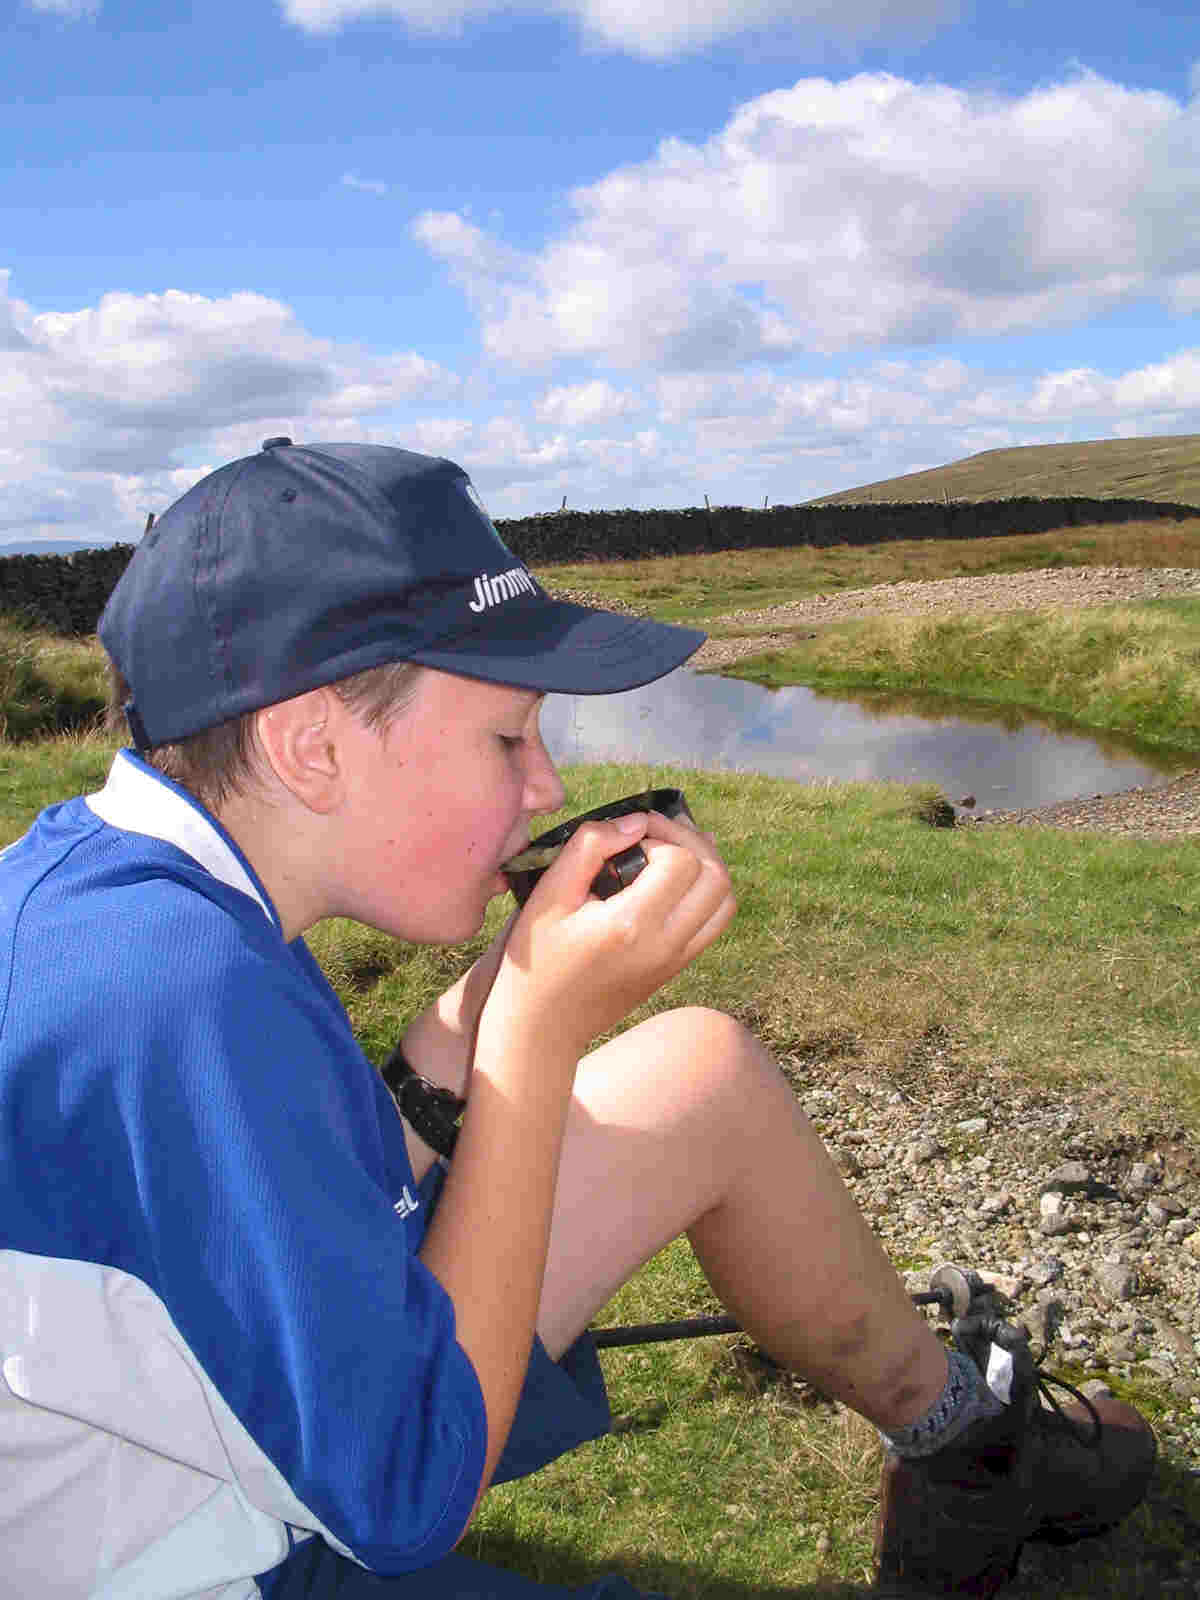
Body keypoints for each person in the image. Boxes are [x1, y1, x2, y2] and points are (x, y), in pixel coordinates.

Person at [0, 439, 1154, 1600]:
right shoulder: (171, 998)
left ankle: (968, 1443)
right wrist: (534, 1041)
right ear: (312, 747)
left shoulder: (144, 896)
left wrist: (506, 985)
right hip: (212, 1557)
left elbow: (326, 1176)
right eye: (508, 737)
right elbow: (405, 1489)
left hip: (240, 1448)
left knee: (702, 1072)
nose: (546, 785)